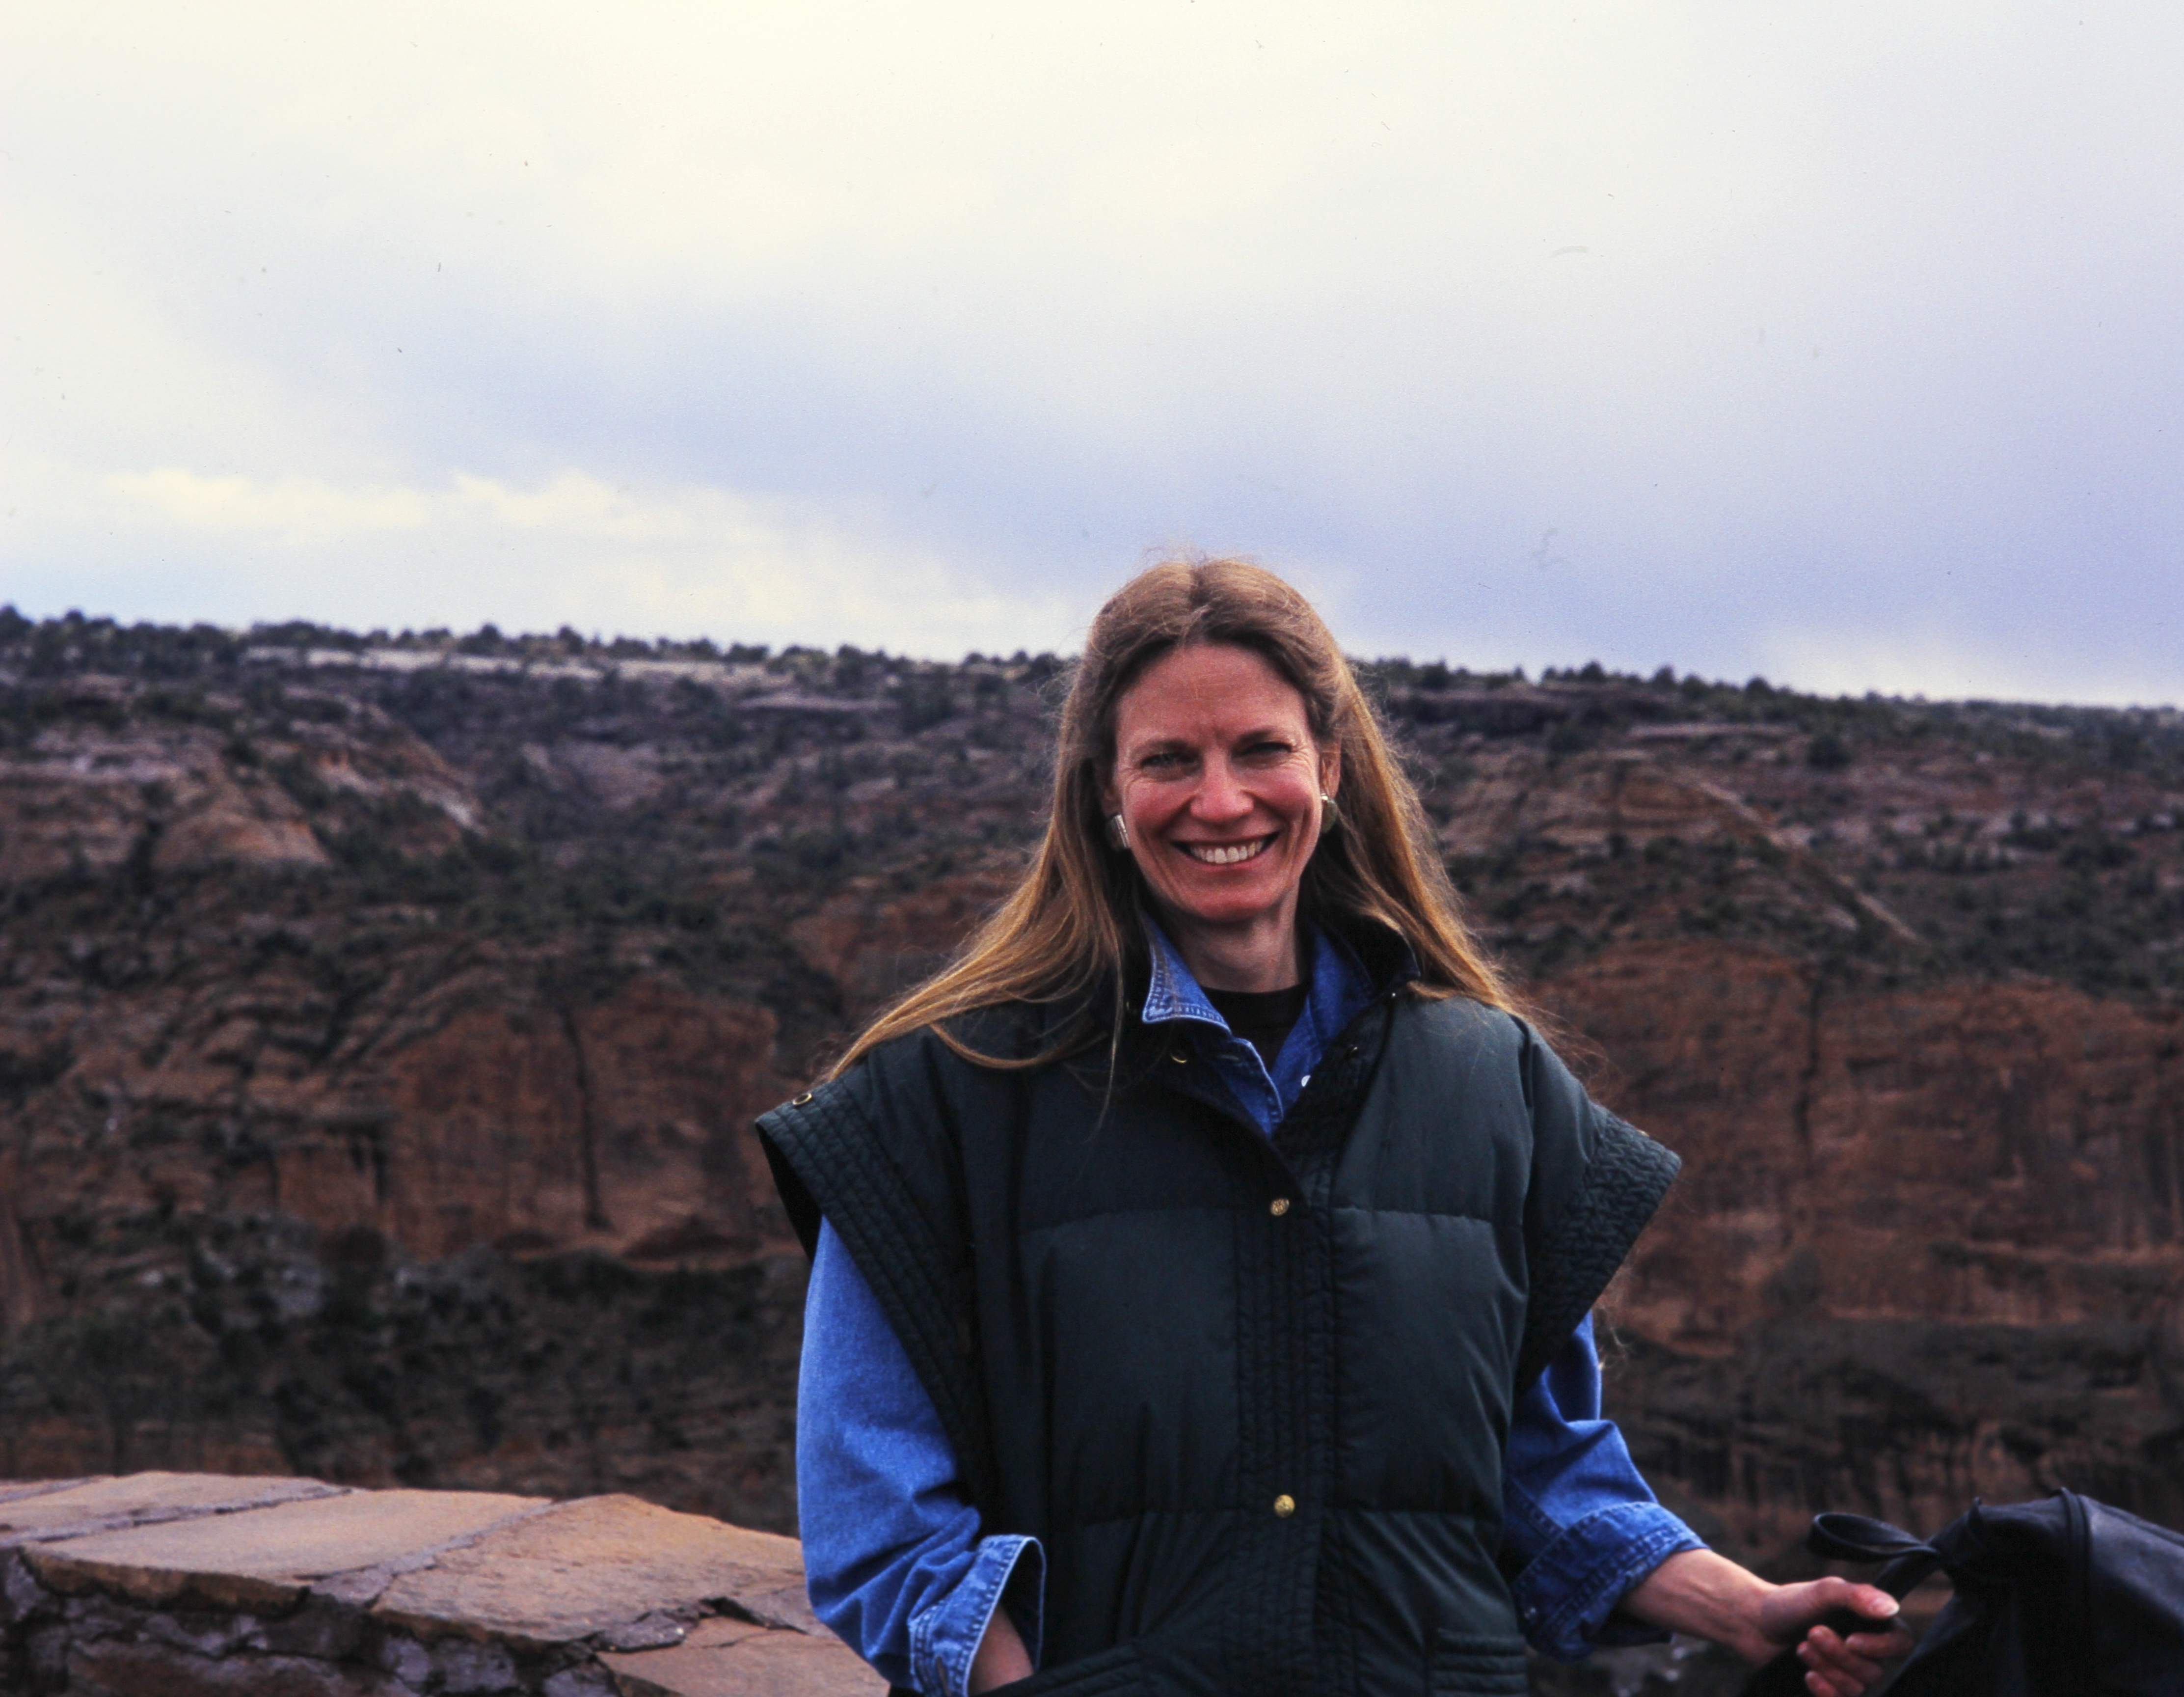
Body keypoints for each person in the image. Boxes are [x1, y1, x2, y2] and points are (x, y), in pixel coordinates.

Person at [757, 559, 1912, 1697]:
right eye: (1169, 760)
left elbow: (1540, 1467)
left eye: (1262, 748)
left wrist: (1751, 1614)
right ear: (1106, 798)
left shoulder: (1491, 1082)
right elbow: (881, 1523)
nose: (1221, 801)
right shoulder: (946, 1098)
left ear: (1332, 769)